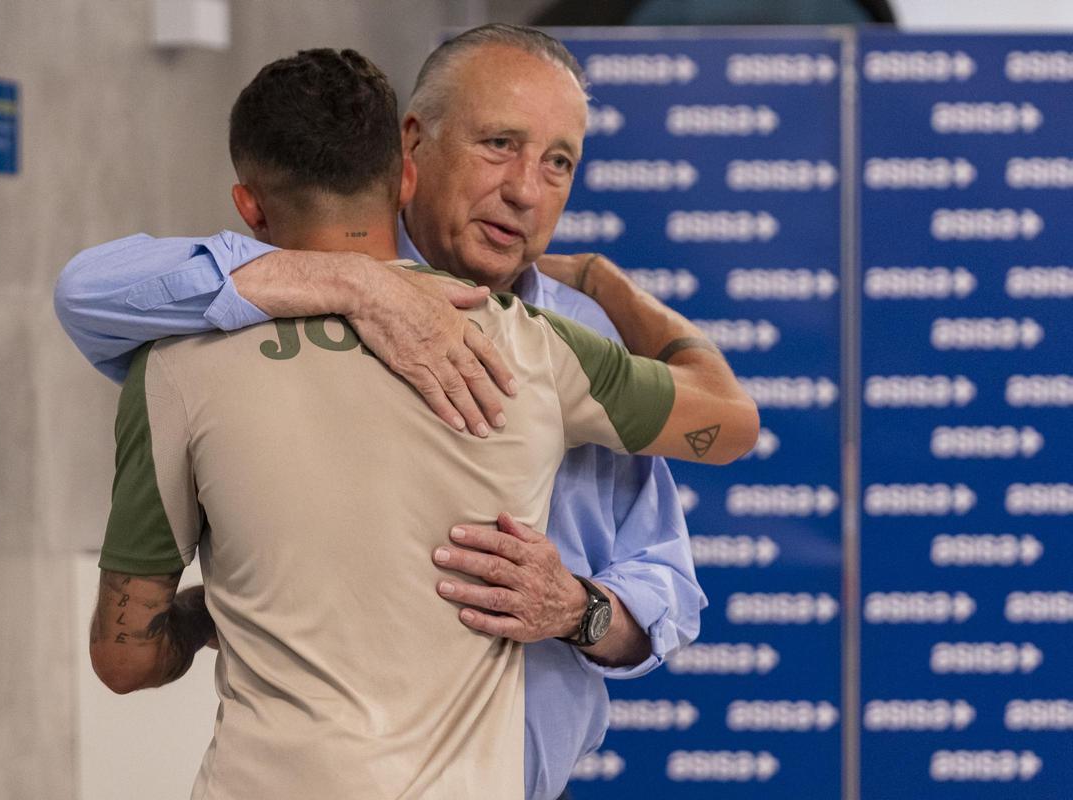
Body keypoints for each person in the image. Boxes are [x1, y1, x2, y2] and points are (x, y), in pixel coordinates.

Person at [57, 23, 758, 800]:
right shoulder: (245, 305)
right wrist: (358, 285)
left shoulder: (577, 341)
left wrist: (578, 609)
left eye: (559, 163)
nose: (527, 189)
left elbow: (668, 583)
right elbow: (86, 290)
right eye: (499, 144)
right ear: (410, 159)